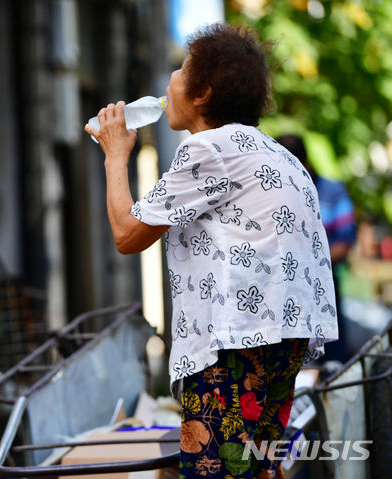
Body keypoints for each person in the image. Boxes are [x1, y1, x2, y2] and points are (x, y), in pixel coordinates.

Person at [85, 24, 338, 478]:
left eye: (180, 71)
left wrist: (115, 155)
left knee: (213, 470)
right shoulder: (279, 155)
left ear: (201, 92)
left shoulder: (209, 149)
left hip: (236, 343)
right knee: (257, 468)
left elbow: (127, 233)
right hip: (288, 336)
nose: (170, 80)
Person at [276, 134, 355, 363]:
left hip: (325, 283)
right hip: (287, 288)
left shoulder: (332, 191)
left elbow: (345, 240)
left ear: (305, 163)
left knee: (331, 356)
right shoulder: (279, 191)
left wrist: (309, 265)